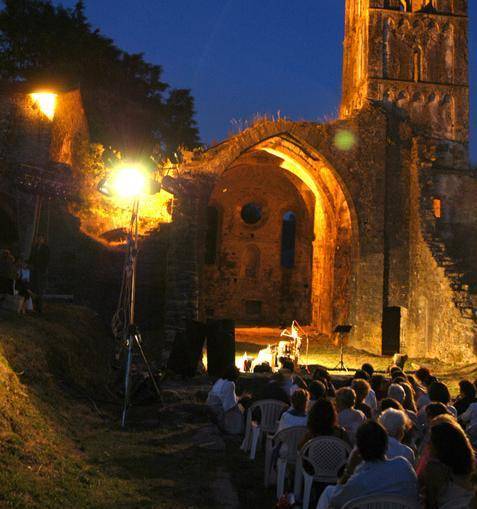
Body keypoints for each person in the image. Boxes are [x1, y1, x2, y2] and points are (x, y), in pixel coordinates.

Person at [316, 421, 418, 509]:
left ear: (359, 449)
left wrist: (349, 471)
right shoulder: (403, 466)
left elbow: (335, 501)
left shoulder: (359, 480)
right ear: (386, 445)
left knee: (328, 492)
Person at [419, 418, 476, 508]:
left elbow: (431, 502)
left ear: (440, 446)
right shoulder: (471, 464)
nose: (428, 444)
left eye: (431, 441)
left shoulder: (434, 468)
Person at [206, 366, 249, 434]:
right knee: (241, 408)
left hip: (211, 406)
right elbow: (229, 406)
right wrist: (241, 403)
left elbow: (229, 398)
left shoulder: (220, 381)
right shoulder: (230, 384)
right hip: (217, 408)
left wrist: (241, 397)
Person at [29, 235, 50, 313]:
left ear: (43, 240)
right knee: (33, 287)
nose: (39, 239)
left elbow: (47, 260)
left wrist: (44, 270)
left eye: (40, 238)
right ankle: (33, 306)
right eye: (38, 238)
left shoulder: (46, 248)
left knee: (39, 288)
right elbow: (31, 258)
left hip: (40, 270)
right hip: (34, 269)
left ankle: (39, 307)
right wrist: (27, 262)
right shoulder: (35, 247)